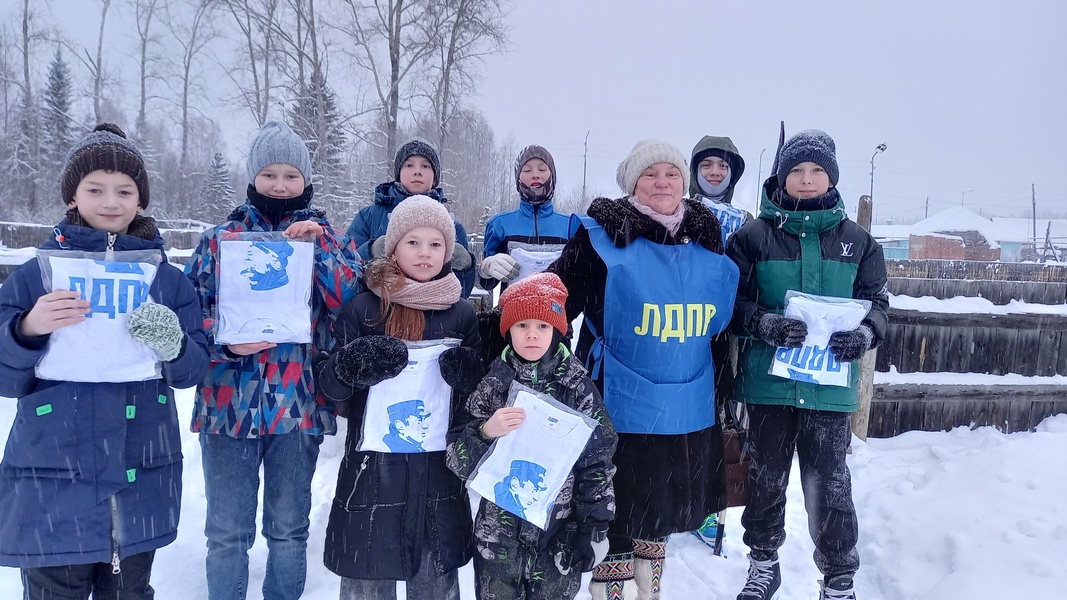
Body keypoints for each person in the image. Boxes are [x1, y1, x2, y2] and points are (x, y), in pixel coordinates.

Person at [0, 123, 210, 598]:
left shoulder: (167, 282)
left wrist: (173, 344)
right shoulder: (37, 276)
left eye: (124, 190)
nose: (110, 201)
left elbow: (192, 371)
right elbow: (6, 380)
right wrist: (26, 328)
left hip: (140, 473)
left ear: (141, 200)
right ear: (73, 196)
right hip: (50, 478)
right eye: (95, 188)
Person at [548, 141, 739, 600]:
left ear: (684, 182)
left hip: (686, 398)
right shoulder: (597, 237)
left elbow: (723, 323)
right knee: (613, 503)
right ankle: (611, 591)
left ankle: (648, 592)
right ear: (632, 183)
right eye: (649, 174)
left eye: (671, 174)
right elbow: (554, 300)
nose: (662, 183)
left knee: (660, 508)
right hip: (616, 395)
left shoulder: (706, 237)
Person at [185, 120, 361, 600]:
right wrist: (225, 343)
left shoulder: (327, 239)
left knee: (288, 530)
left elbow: (353, 304)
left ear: (306, 181)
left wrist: (320, 247)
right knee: (226, 534)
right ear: (252, 178)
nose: (280, 185)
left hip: (297, 407)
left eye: (290, 175)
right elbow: (187, 315)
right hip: (227, 406)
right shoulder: (220, 240)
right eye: (269, 174)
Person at [727, 127, 889, 600]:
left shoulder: (859, 243)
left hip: (830, 388)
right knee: (765, 477)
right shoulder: (753, 237)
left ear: (831, 177)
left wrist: (863, 335)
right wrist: (763, 324)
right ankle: (762, 565)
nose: (806, 179)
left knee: (829, 483)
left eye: (816, 170)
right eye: (796, 170)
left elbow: (878, 303)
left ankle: (838, 578)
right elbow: (729, 302)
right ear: (782, 175)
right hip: (768, 384)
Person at [316, 195, 483, 600]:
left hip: (437, 483)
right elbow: (328, 387)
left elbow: (476, 405)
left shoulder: (461, 314)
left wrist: (469, 376)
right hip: (372, 477)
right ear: (392, 248)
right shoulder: (362, 309)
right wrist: (350, 365)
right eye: (413, 242)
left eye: (435, 244)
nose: (424, 253)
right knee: (367, 583)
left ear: (448, 251)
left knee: (434, 584)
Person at [447, 272, 617, 600]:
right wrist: (485, 432)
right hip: (498, 541)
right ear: (508, 329)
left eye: (542, 326)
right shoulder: (492, 383)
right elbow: (456, 459)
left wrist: (594, 525)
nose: (532, 335)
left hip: (557, 538)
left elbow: (598, 460)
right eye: (522, 325)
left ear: (557, 330)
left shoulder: (578, 388)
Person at [687, 135, 750, 550]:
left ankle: (711, 504)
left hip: (726, 330)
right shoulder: (681, 209)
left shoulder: (744, 220)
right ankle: (679, 494)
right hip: (684, 323)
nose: (713, 172)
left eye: (721, 167)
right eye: (706, 164)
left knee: (720, 417)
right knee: (685, 411)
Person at [346, 137, 476, 297]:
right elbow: (345, 271)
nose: (417, 171)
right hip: (378, 312)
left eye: (425, 166)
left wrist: (465, 267)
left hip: (435, 317)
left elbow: (461, 296)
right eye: (409, 165)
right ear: (398, 173)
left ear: (435, 177)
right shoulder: (368, 217)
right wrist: (371, 250)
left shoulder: (452, 227)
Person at [479, 145, 573, 292]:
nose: (535, 174)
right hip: (512, 312)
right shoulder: (500, 224)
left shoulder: (570, 226)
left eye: (542, 169)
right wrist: (487, 267)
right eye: (527, 170)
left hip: (559, 312)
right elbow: (486, 284)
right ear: (518, 179)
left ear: (553, 176)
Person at [689, 135, 751, 242]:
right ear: (695, 171)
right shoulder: (677, 214)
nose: (715, 173)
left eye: (723, 166)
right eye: (706, 165)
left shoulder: (745, 221)